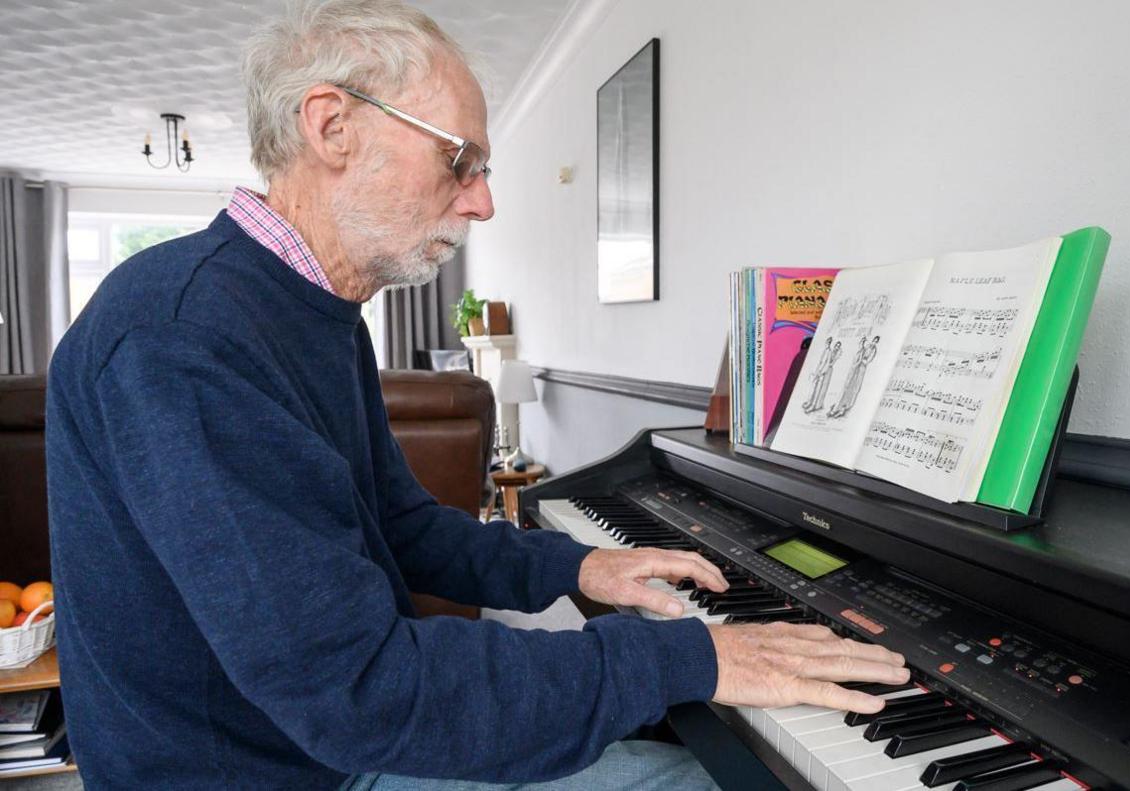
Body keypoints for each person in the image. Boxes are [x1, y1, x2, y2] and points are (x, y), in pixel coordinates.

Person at [43, 1, 909, 789]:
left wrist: (577, 565)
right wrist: (690, 655)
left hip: (316, 744)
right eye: (461, 160)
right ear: (332, 125)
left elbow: (400, 525)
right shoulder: (184, 336)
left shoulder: (314, 309)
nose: (485, 202)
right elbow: (362, 692)